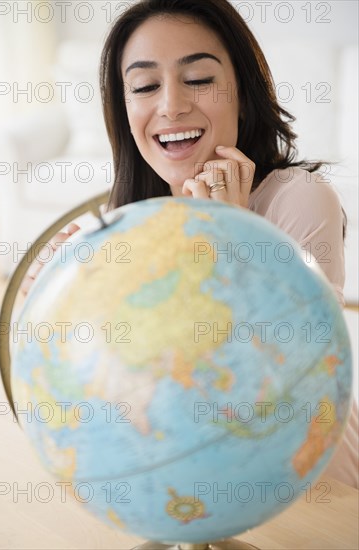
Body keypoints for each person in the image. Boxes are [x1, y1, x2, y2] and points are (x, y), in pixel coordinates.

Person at [23, 0, 358, 488]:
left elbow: (303, 386)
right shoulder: (127, 230)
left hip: (314, 493)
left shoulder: (298, 198)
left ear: (243, 95)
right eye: (143, 86)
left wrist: (230, 235)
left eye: (198, 79)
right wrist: (49, 317)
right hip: (196, 495)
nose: (172, 105)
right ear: (125, 109)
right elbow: (120, 395)